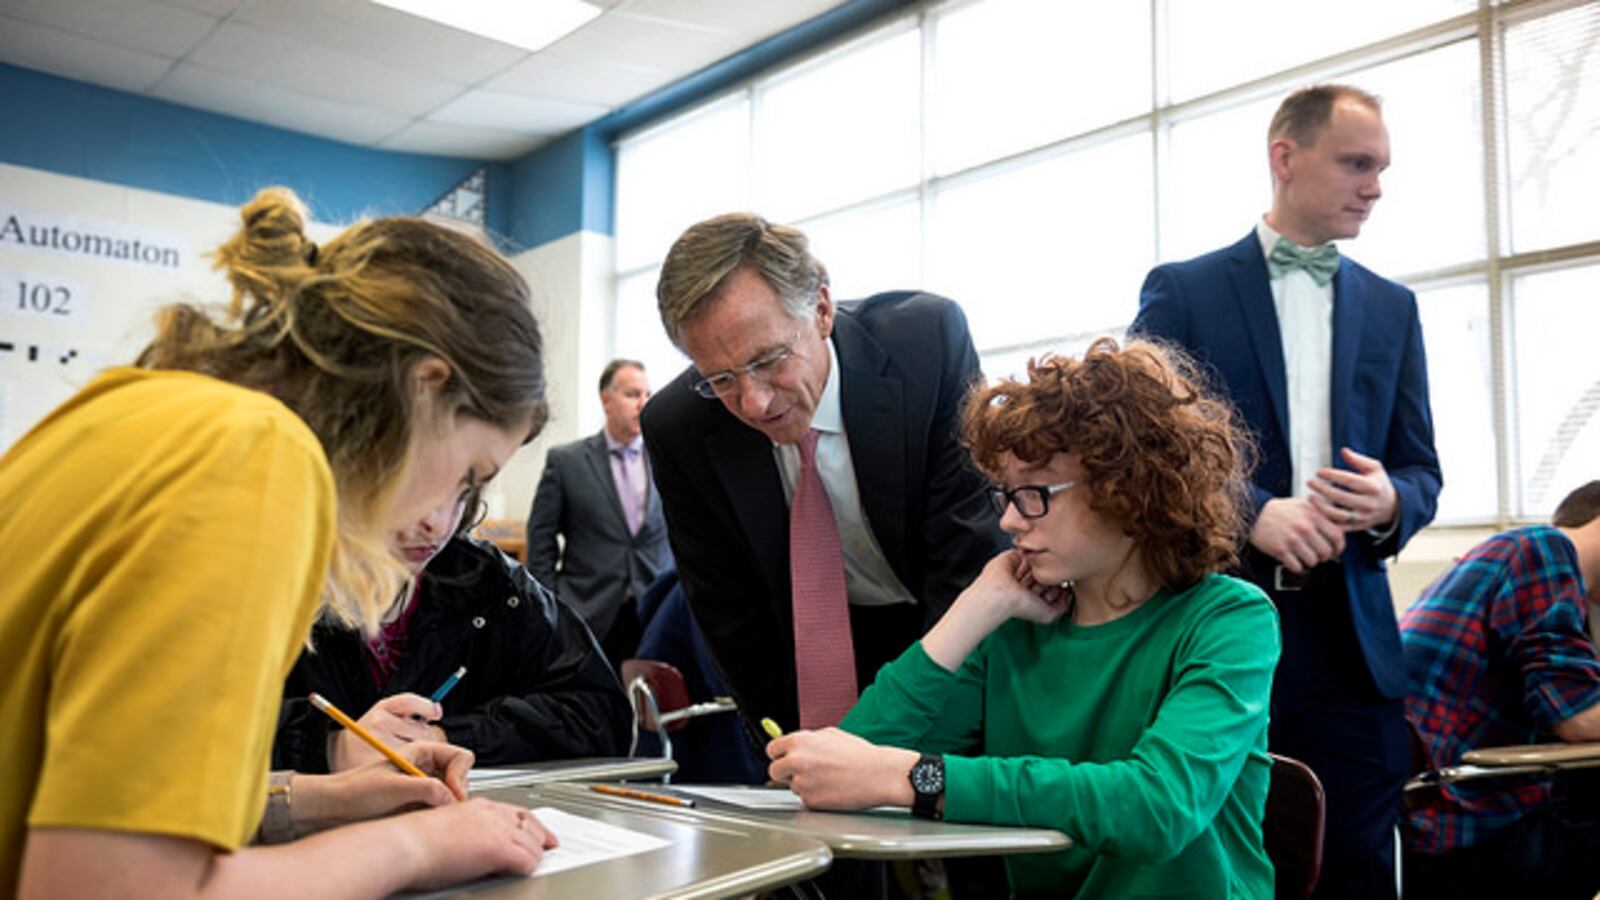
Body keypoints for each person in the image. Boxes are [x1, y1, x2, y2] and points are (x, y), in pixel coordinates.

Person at [0, 187, 559, 895]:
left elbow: (91, 792)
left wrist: (330, 801)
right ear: (425, 389)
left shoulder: (141, 406)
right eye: (467, 475)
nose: (442, 518)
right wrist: (418, 845)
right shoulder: (254, 458)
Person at [767, 338, 1278, 899]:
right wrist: (972, 610)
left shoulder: (1228, 619)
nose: (1010, 520)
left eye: (1035, 494)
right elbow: (850, 762)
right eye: (1005, 496)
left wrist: (915, 777)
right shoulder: (1015, 623)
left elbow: (1158, 808)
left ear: (1129, 489)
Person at [1131, 83, 1442, 898]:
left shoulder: (1394, 309)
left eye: (1380, 168)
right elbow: (1137, 448)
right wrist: (1254, 511)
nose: (1375, 186)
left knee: (1360, 872)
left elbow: (1422, 470)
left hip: (1353, 643)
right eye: (1356, 164)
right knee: (1226, 867)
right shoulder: (1183, 290)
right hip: (1214, 627)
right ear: (1285, 157)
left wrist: (1391, 503)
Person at [640, 212, 1007, 741]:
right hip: (814, 650)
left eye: (769, 360)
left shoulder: (925, 346)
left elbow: (966, 557)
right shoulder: (680, 426)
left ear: (822, 309)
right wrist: (791, 750)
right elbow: (731, 617)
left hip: (946, 621)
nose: (753, 401)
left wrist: (905, 747)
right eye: (720, 378)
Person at [274, 484, 632, 774]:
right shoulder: (269, 580)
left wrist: (444, 737)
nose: (438, 524)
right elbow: (221, 736)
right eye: (412, 491)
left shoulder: (489, 580)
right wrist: (331, 748)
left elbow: (599, 715)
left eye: (461, 493)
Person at [1400, 481, 1600, 900]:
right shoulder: (1545, 549)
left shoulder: (1498, 554)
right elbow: (1578, 718)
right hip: (1464, 829)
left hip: (1430, 819)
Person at [526, 359, 673, 667]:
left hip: (656, 610)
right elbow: (540, 540)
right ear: (606, 400)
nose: (643, 404)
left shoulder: (667, 458)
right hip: (589, 612)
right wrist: (552, 603)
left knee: (653, 710)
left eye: (648, 394)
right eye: (632, 394)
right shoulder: (566, 462)